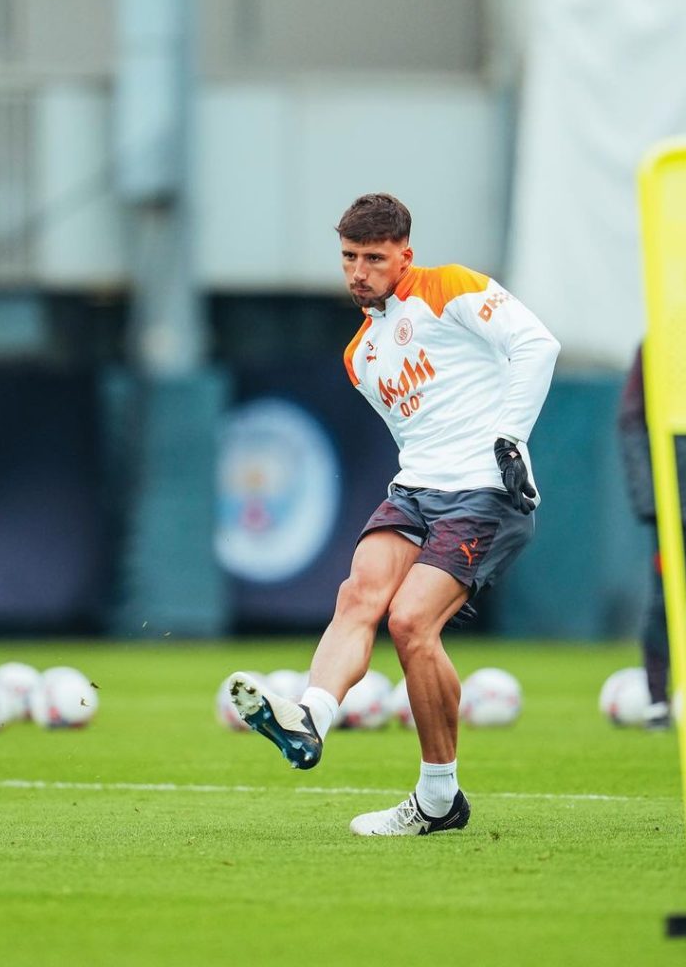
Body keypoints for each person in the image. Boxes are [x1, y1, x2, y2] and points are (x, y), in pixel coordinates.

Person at [227, 192, 560, 836]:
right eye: (349, 257)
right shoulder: (360, 357)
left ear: (405, 254)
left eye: (374, 258)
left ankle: (438, 799)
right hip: (416, 489)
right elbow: (419, 435)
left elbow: (537, 347)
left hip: (487, 489)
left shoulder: (450, 288)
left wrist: (510, 438)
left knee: (410, 622)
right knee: (358, 596)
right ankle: (310, 719)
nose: (359, 272)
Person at [617, 343, 686, 729]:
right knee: (667, 597)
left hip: (677, 492)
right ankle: (656, 701)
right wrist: (647, 495)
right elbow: (633, 419)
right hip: (677, 497)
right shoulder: (661, 343)